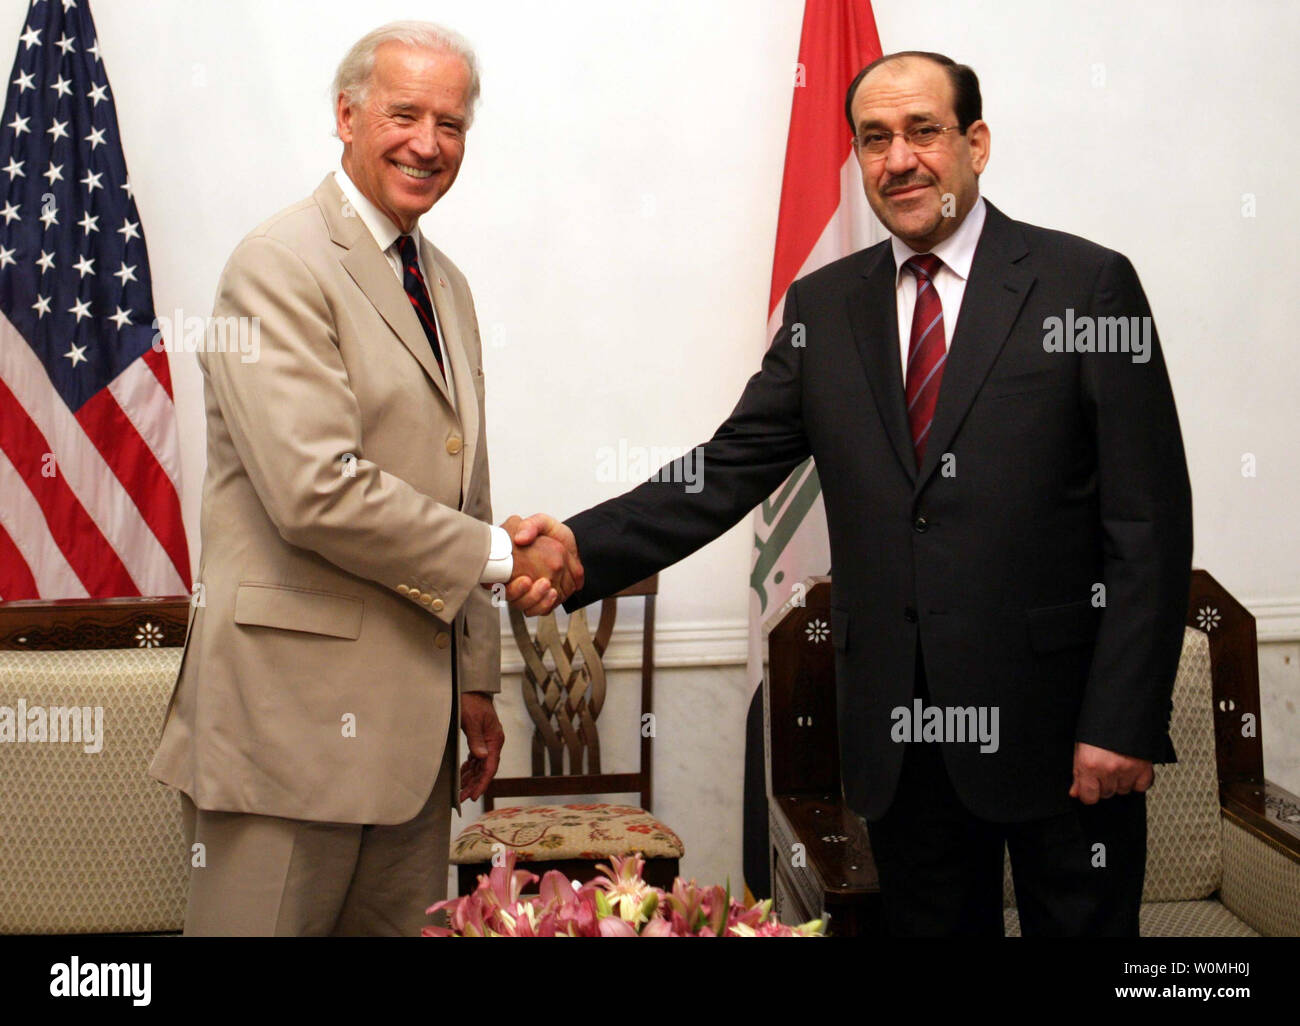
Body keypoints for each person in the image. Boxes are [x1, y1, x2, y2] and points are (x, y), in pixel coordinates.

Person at [507, 51, 1192, 936]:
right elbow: (728, 465)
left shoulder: (1087, 283)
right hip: (903, 746)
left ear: (976, 144)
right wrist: (580, 546)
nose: (898, 158)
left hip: (1063, 733)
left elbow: (1149, 522)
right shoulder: (825, 307)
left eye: (923, 132)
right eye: (875, 139)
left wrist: (1123, 719)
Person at [149, 20, 579, 936]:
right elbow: (317, 490)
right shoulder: (279, 264)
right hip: (288, 730)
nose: (429, 143)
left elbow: (465, 484)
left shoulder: (446, 284)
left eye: (452, 124)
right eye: (404, 114)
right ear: (346, 116)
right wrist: (505, 558)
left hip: (412, 744)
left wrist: (475, 679)